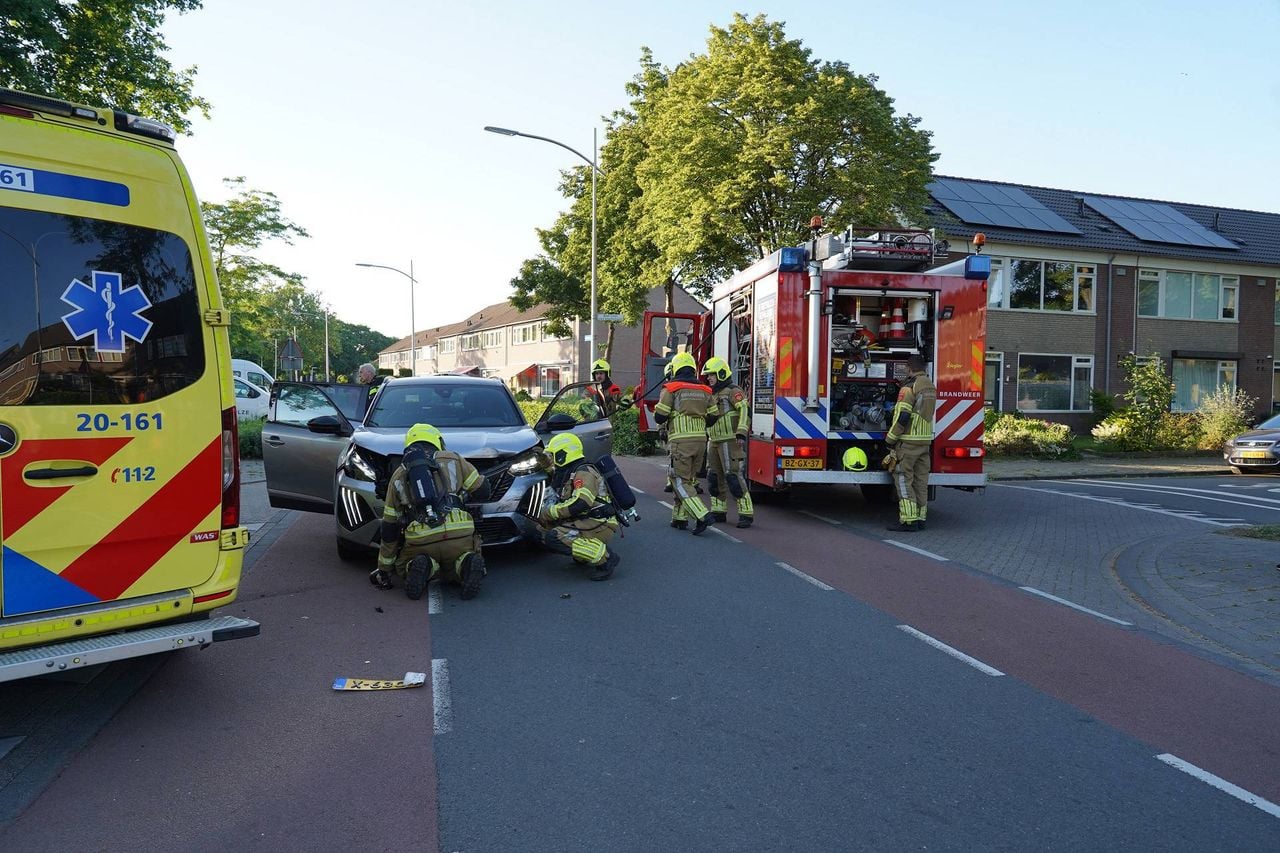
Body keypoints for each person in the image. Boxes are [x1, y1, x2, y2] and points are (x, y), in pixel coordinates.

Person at [372, 423, 491, 599]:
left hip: (421, 537)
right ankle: (466, 564)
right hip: (459, 531)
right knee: (461, 558)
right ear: (438, 441)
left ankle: (424, 565)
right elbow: (483, 491)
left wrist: (384, 568)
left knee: (403, 566)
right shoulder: (454, 459)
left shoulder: (399, 474)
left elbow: (390, 527)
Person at [536, 432, 620, 581]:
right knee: (541, 530)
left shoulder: (584, 473)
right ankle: (584, 553)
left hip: (599, 523)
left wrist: (550, 512)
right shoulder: (570, 470)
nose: (552, 459)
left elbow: (581, 503)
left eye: (554, 455)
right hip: (587, 520)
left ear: (563, 454)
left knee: (553, 537)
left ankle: (605, 557)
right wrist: (542, 460)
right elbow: (554, 475)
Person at [653, 351, 712, 535]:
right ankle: (679, 518)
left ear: (675, 368)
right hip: (701, 441)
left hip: (681, 441)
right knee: (689, 480)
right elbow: (714, 416)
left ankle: (702, 515)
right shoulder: (706, 390)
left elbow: (660, 416)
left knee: (678, 481)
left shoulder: (671, 388)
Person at [884, 355, 936, 532]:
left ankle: (908, 521)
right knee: (921, 483)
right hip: (924, 442)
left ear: (908, 368)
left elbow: (903, 416)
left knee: (904, 481)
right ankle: (921, 519)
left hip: (908, 443)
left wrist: (890, 439)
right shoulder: (929, 385)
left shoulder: (908, 388)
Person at [701, 356, 753, 528]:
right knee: (713, 477)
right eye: (708, 375)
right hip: (713, 440)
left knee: (733, 476)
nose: (709, 378)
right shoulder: (711, 393)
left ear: (721, 374)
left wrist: (741, 433)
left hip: (730, 440)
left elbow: (745, 410)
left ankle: (746, 513)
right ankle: (718, 511)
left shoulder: (733, 391)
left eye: (712, 375)